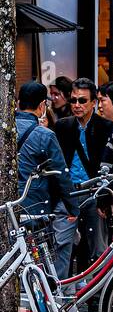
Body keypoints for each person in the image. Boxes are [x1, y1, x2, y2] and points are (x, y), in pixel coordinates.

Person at [15, 81, 79, 279]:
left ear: (18, 103)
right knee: (39, 260)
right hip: (35, 207)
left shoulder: (6, 131)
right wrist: (73, 208)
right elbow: (61, 174)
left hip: (9, 205)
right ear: (42, 106)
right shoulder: (45, 135)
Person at [54, 78, 113, 269]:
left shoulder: (107, 128)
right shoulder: (63, 126)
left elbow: (111, 165)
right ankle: (61, 292)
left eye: (82, 100)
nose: (77, 105)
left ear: (93, 102)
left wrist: (106, 199)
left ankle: (99, 294)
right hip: (68, 193)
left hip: (95, 192)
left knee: (98, 247)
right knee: (62, 244)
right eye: (73, 100)